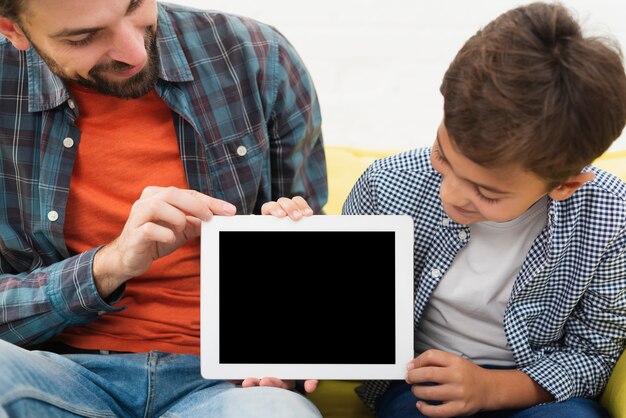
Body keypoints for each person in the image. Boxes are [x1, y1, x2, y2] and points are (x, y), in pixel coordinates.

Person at [0, 0, 326, 416]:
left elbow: (310, 256)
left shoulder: (259, 53)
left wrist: (287, 355)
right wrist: (109, 265)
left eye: (135, 5)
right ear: (14, 30)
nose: (135, 52)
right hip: (54, 369)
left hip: (225, 385)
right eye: (83, 37)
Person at [339, 2, 626, 418]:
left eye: (486, 192)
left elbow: (592, 355)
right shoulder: (385, 185)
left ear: (565, 184)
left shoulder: (611, 217)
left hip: (536, 389)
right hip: (421, 385)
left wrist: (491, 388)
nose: (451, 194)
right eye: (443, 155)